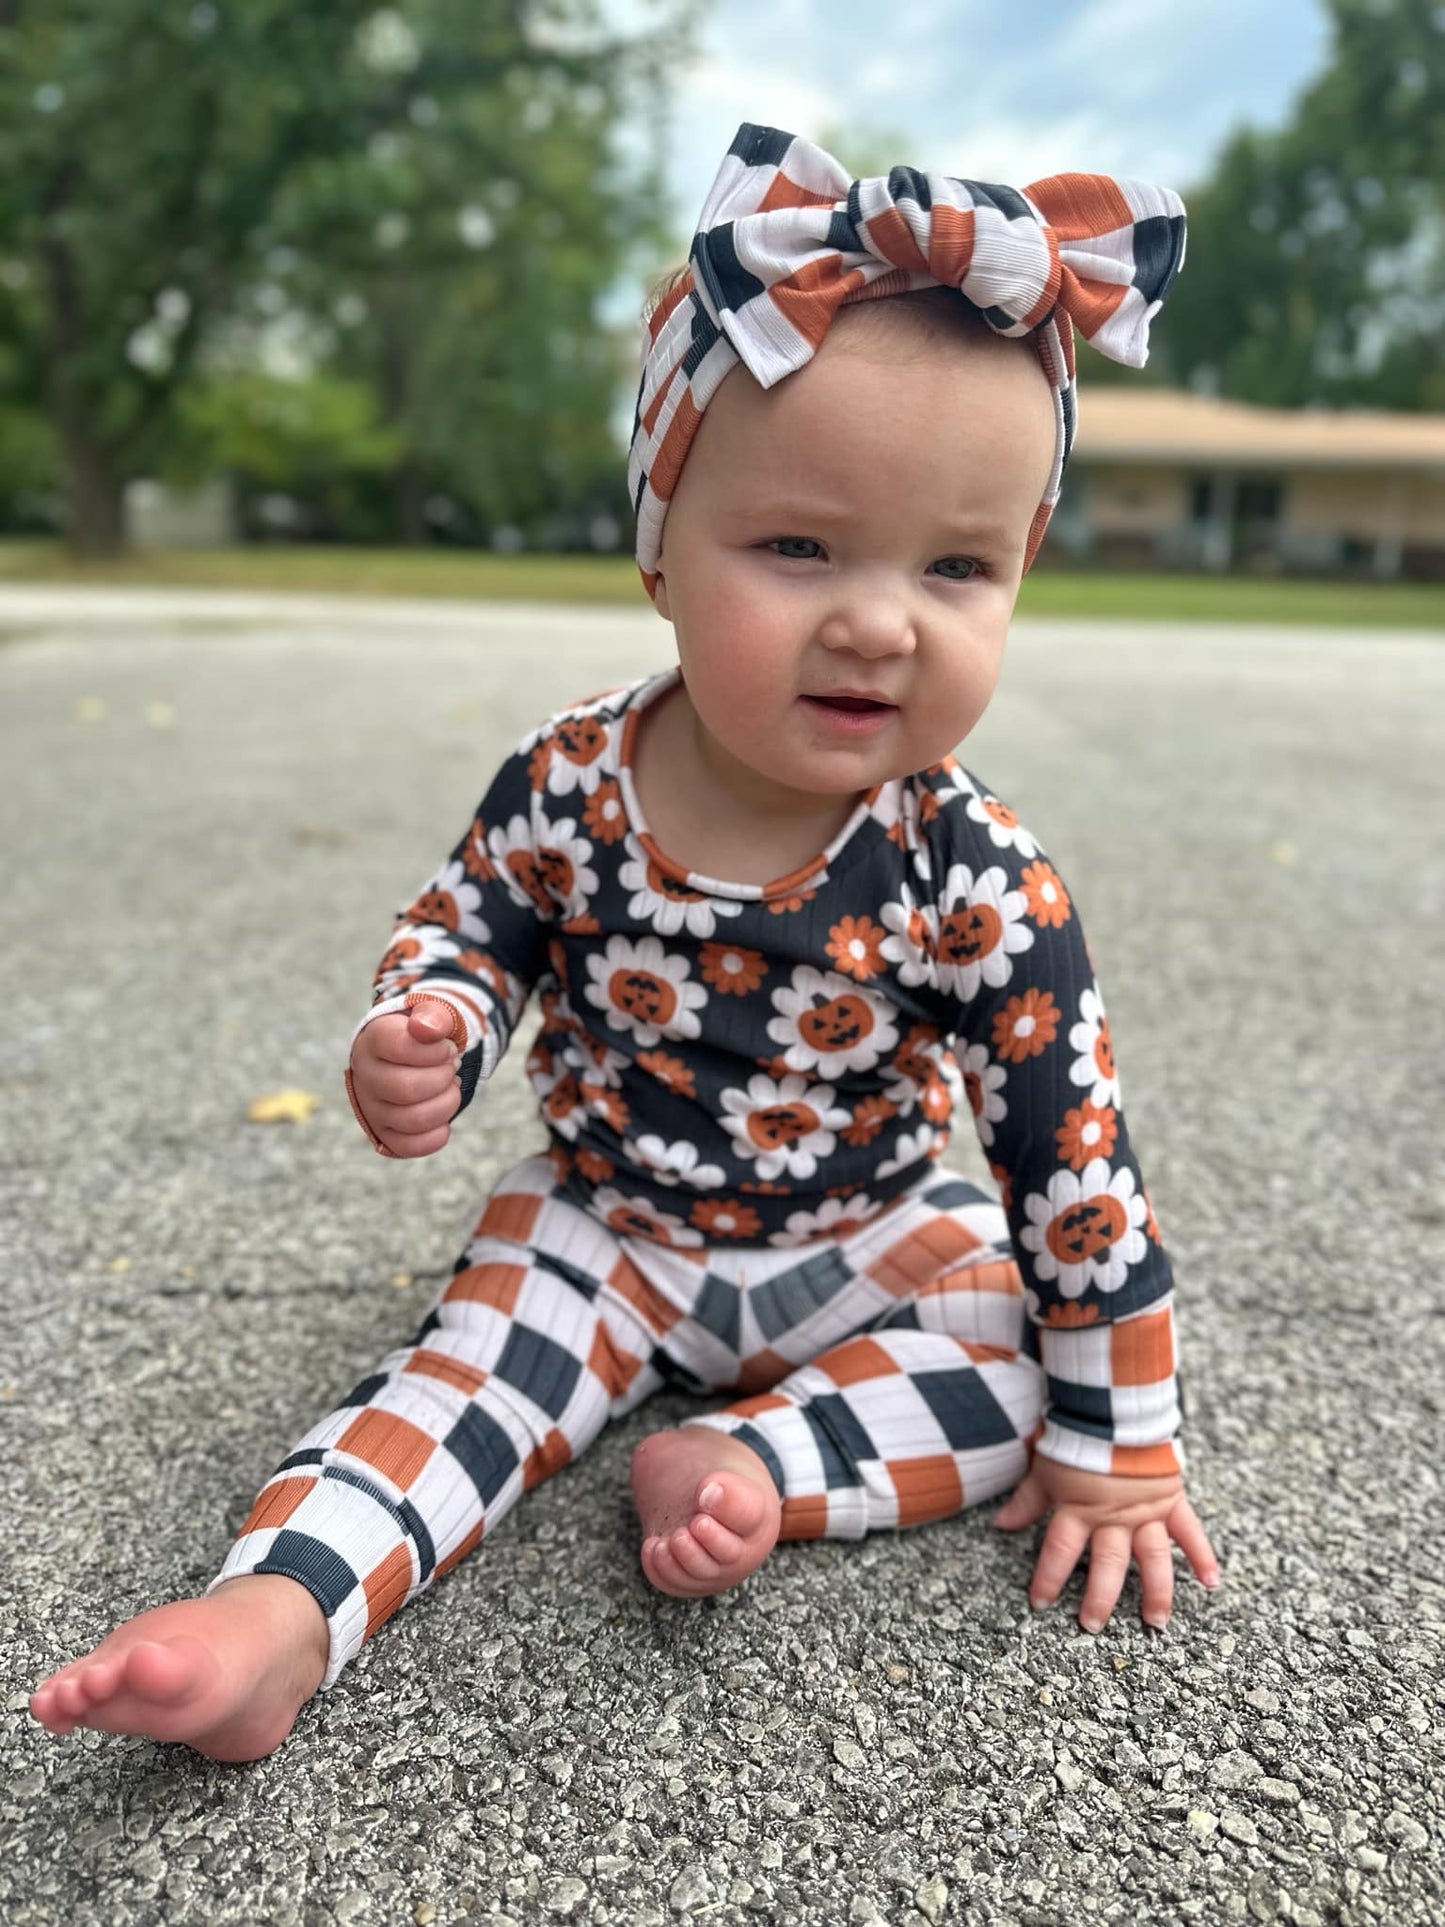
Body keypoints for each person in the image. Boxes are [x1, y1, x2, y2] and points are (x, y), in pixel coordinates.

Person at [30, 123, 1220, 1762]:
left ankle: (764, 1466)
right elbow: (472, 928)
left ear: (1019, 565)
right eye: (798, 547)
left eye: (952, 565)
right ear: (662, 535)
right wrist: (431, 1020)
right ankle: (280, 1610)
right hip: (605, 1223)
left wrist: (1123, 1453)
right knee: (462, 1384)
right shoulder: (573, 784)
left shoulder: (979, 876)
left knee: (1042, 1357)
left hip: (860, 1232)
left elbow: (1071, 1173)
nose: (878, 619)